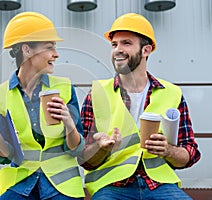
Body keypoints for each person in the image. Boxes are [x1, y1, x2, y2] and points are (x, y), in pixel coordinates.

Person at [0, 11, 85, 200]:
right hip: (22, 183)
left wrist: (69, 124)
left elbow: (76, 149)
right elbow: (5, 156)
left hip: (62, 185)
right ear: (27, 50)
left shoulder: (65, 87)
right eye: (49, 47)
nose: (56, 54)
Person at [78, 13, 201, 200]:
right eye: (114, 44)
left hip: (158, 185)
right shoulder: (96, 94)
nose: (118, 50)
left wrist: (168, 150)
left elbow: (189, 153)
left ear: (146, 50)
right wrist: (102, 148)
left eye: (126, 43)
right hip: (112, 186)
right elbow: (84, 159)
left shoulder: (172, 93)